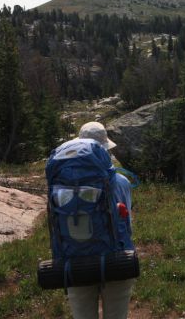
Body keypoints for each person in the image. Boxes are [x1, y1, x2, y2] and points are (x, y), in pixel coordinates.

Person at [67, 121, 134, 319]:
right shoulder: (121, 182)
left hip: (75, 258)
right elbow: (127, 224)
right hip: (116, 260)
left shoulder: (63, 182)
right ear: (106, 149)